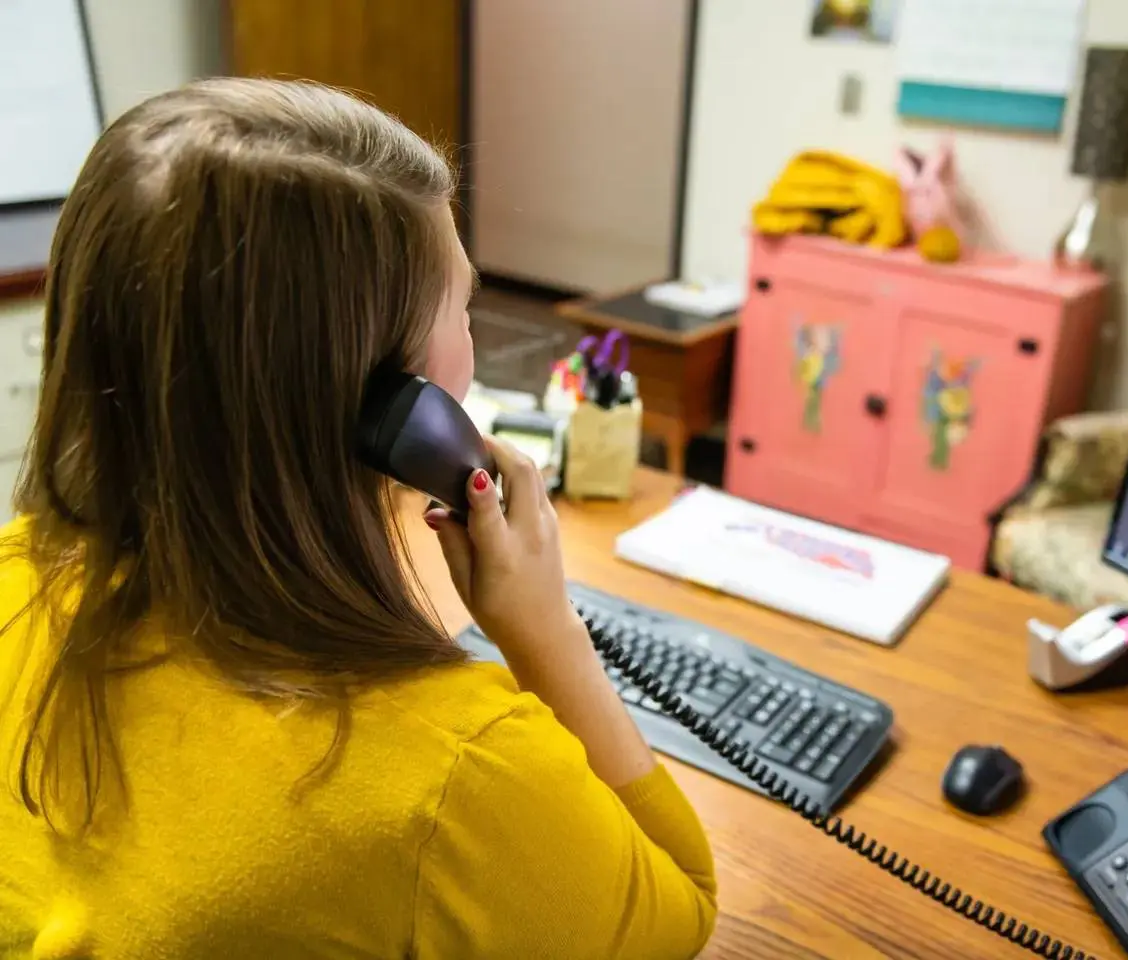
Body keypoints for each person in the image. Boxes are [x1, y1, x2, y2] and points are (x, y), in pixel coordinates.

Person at [0, 78, 717, 959]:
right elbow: (678, 913)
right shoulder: (453, 775)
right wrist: (544, 631)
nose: (473, 337)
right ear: (391, 410)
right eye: (461, 304)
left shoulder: (13, 581)